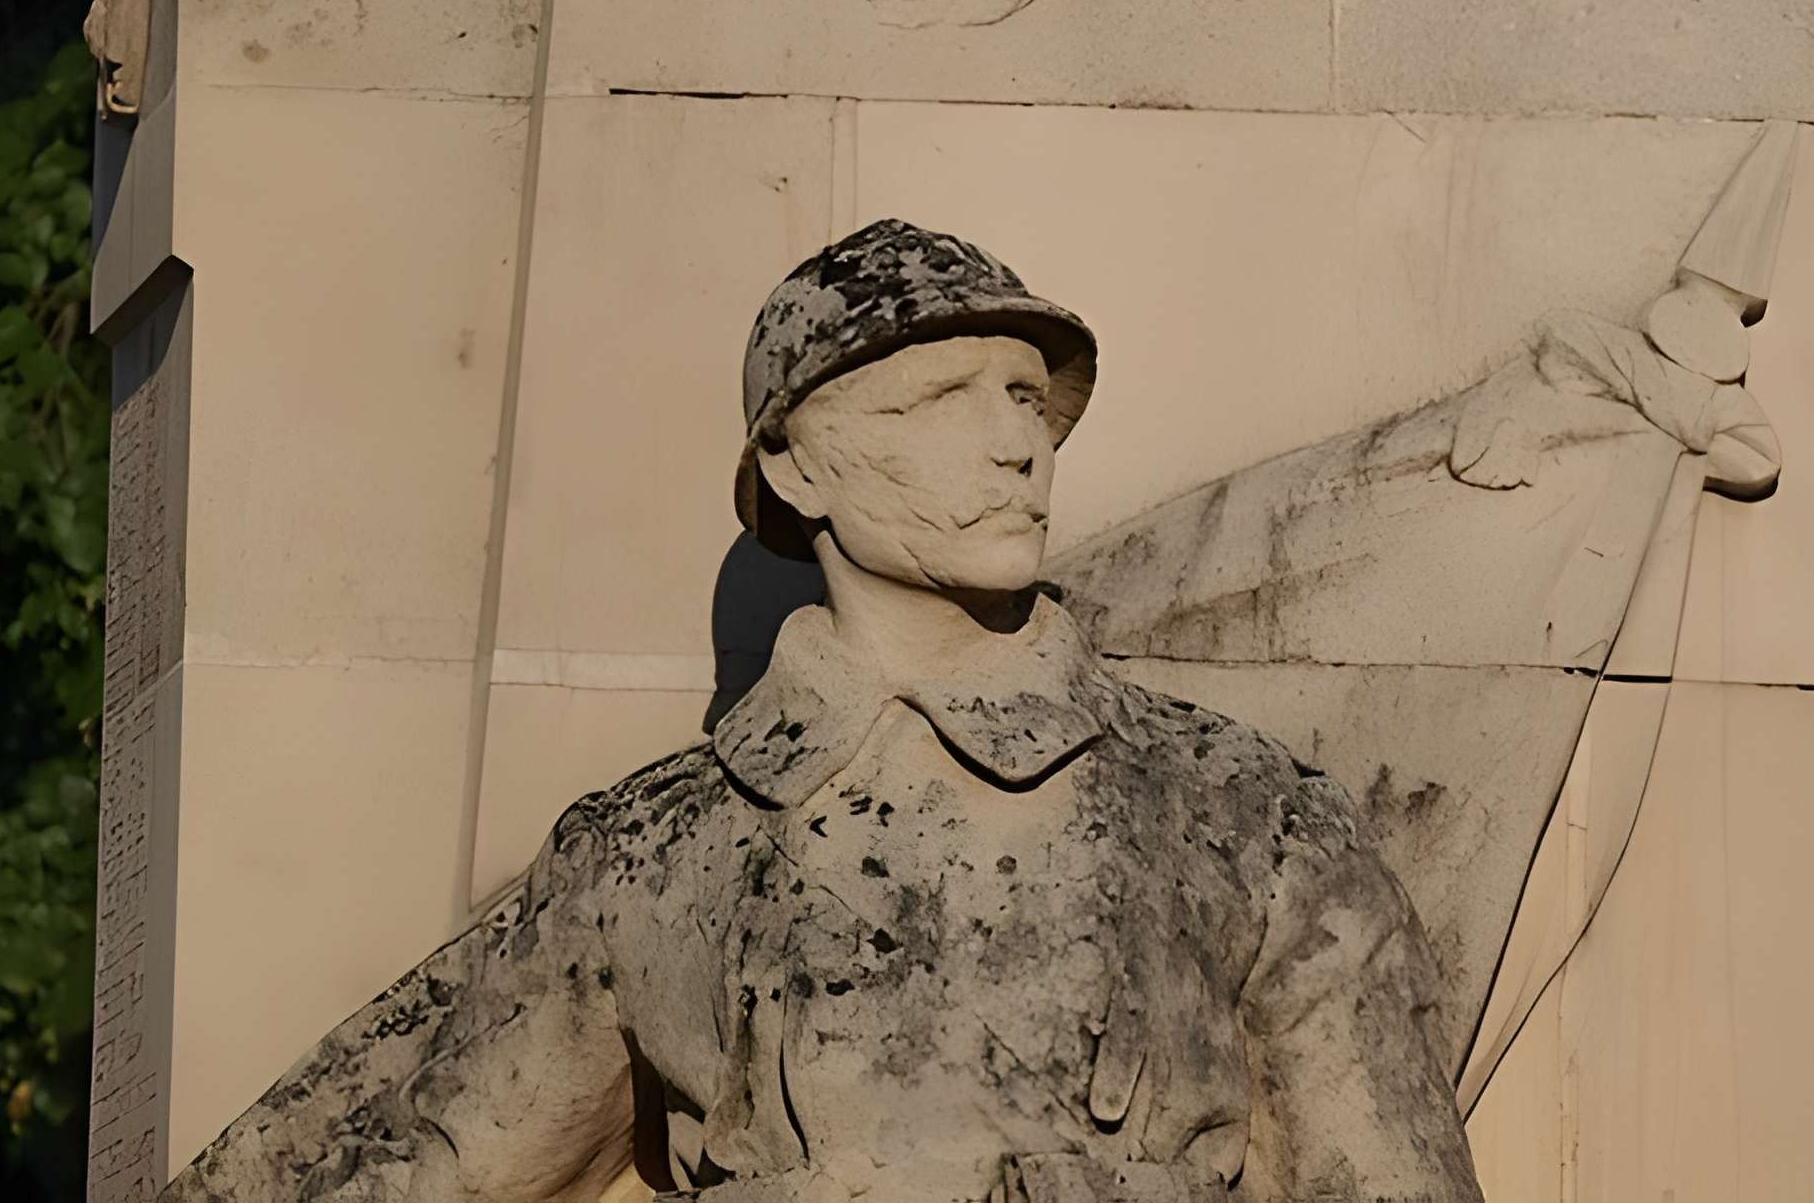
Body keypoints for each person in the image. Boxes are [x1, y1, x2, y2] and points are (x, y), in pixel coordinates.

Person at [165, 222, 1484, 1203]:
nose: (1017, 444)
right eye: (934, 402)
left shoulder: (1239, 808)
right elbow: (447, 1173)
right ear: (795, 464)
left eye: (1028, 397)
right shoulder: (649, 853)